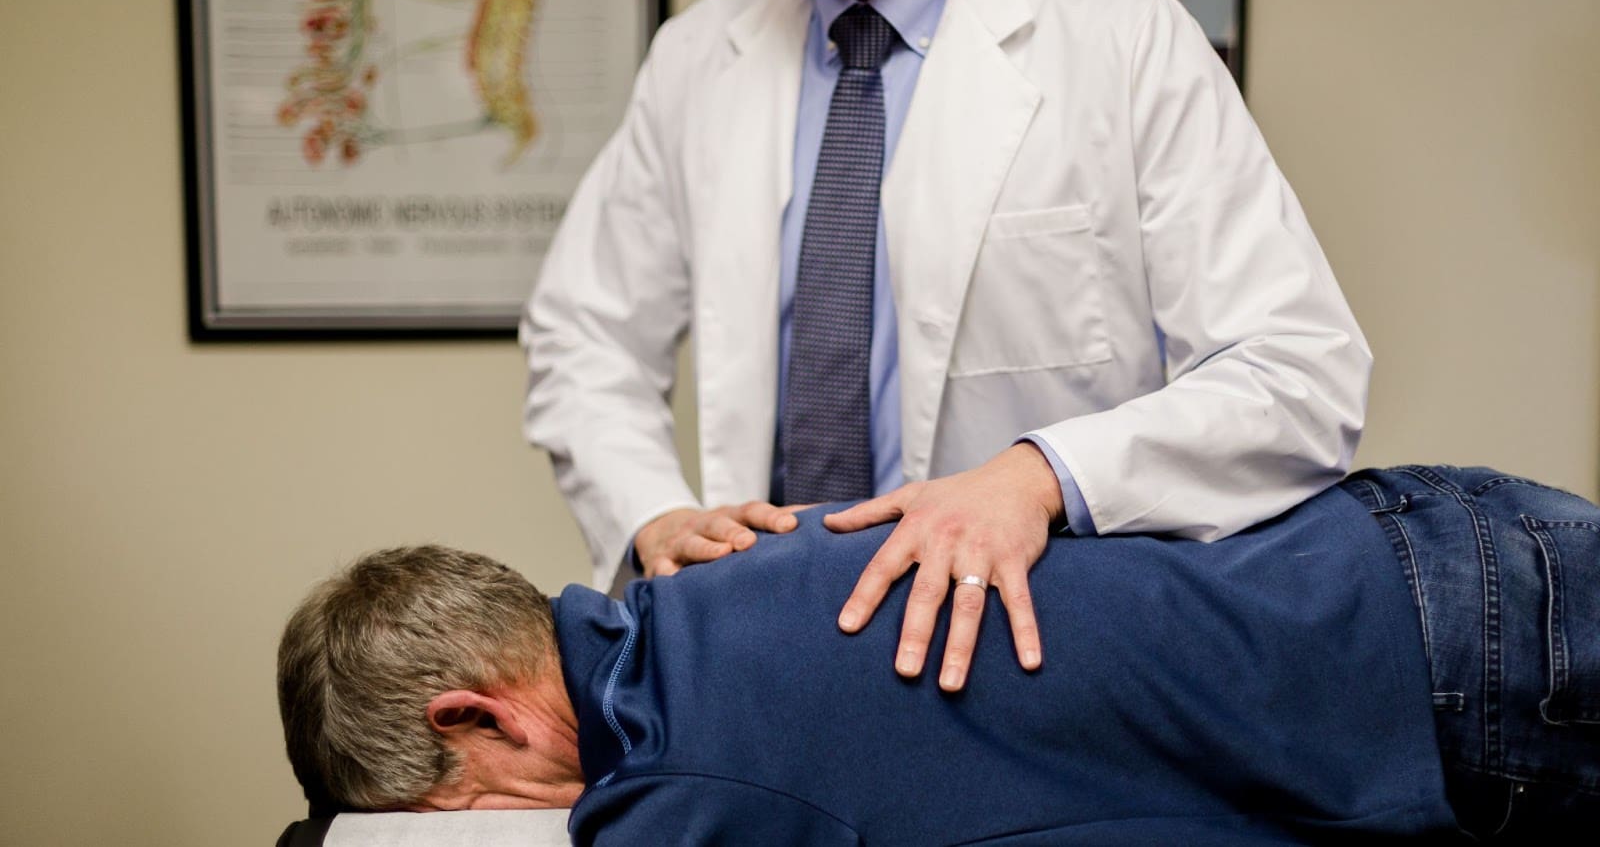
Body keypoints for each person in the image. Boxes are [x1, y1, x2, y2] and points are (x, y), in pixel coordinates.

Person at [520, 0, 1371, 691]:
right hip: (766, 647)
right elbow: (584, 334)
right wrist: (653, 513)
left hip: (1035, 645)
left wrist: (1044, 474)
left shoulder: (1120, 38)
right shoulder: (697, 60)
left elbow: (1296, 372)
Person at [278, 467, 1599, 844]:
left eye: (457, 821)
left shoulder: (679, 791)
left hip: (1469, 680)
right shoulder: (732, 561)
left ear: (479, 717)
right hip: (1443, 538)